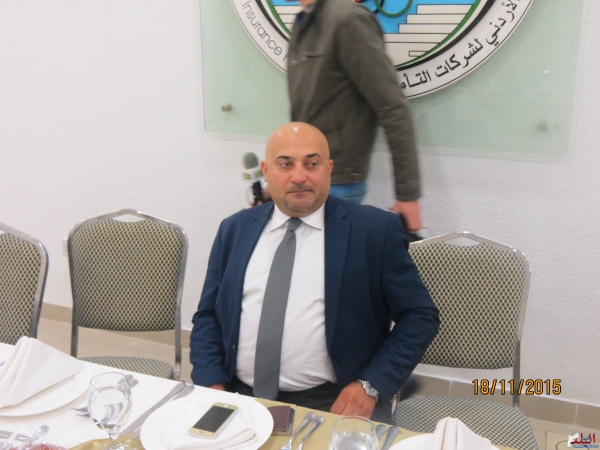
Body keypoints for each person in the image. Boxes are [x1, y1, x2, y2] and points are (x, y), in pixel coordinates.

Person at [190, 122, 439, 421]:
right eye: (286, 164)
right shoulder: (234, 229)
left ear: (329, 169)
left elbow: (419, 317)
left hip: (331, 402)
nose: (299, 176)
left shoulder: (373, 231)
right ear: (266, 171)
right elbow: (208, 315)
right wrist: (212, 382)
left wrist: (371, 385)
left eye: (312, 164)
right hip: (236, 395)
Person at [287, 0, 423, 234]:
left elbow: (393, 108)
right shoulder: (304, 22)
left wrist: (407, 196)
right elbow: (305, 113)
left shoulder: (348, 19)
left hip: (336, 183)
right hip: (306, 178)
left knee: (326, 258)